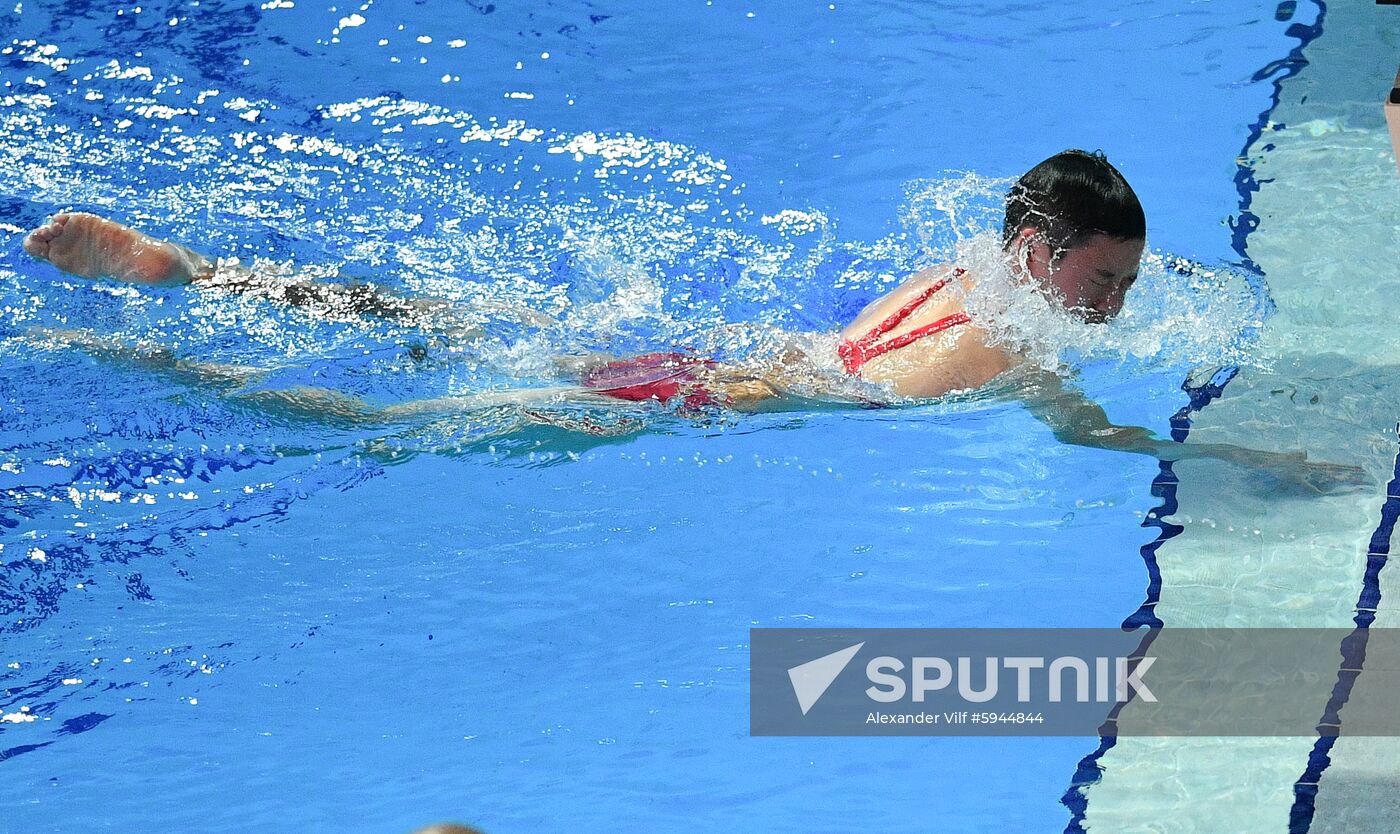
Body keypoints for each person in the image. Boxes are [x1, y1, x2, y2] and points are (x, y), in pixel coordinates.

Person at [16, 150, 1367, 487]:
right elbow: (1090, 441)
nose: (1119, 305)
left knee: (450, 316)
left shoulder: (967, 268)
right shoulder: (1023, 341)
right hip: (721, 394)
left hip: (734, 357)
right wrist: (1240, 459)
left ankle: (196, 278)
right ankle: (115, 349)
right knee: (402, 421)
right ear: (1041, 254)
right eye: (1109, 282)